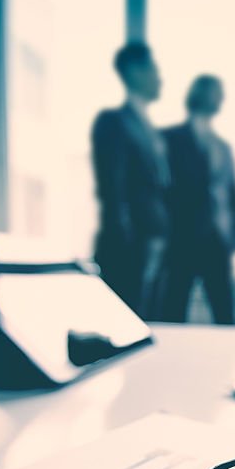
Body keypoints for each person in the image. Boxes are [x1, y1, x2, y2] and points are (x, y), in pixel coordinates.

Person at [90, 42, 170, 318]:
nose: (160, 78)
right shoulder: (114, 122)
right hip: (130, 245)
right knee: (125, 322)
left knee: (150, 321)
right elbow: (112, 188)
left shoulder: (149, 128)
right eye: (153, 69)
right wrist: (126, 240)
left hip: (155, 240)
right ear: (134, 72)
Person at [160, 75, 235, 324]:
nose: (220, 99)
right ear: (199, 95)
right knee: (173, 311)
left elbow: (233, 195)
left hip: (217, 242)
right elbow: (161, 190)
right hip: (182, 240)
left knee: (225, 314)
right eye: (216, 92)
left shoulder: (223, 147)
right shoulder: (170, 138)